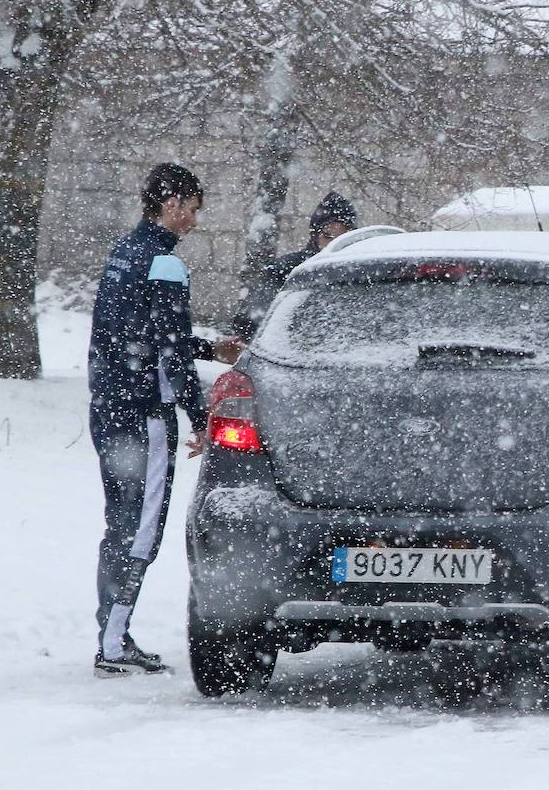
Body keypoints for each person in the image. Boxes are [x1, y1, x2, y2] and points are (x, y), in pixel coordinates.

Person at [88, 163, 243, 677]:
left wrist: (209, 347)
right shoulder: (167, 265)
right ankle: (112, 644)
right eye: (194, 209)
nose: (195, 221)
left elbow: (144, 337)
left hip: (109, 405)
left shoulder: (123, 254)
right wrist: (200, 417)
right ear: (173, 202)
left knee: (120, 522)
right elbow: (169, 352)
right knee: (139, 529)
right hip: (144, 417)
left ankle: (113, 632)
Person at [230, 191, 357, 342]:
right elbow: (248, 322)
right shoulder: (286, 270)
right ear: (315, 235)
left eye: (342, 238)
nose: (333, 244)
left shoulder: (360, 274)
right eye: (327, 235)